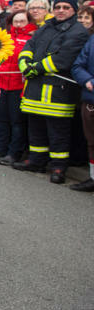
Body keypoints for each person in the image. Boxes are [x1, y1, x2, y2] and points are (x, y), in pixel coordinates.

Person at [14, 0, 88, 183]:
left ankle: (58, 167)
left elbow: (63, 58)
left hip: (58, 91)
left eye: (66, 7)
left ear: (74, 10)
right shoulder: (46, 27)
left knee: (58, 132)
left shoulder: (78, 31)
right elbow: (29, 46)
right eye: (58, 7)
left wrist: (35, 68)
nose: (61, 10)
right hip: (36, 89)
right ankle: (36, 161)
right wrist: (24, 63)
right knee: (36, 128)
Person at [0, 12, 36, 165]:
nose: (18, 24)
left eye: (22, 21)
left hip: (18, 85)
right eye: (16, 21)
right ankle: (0, 149)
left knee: (17, 121)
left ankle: (14, 152)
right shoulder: (5, 38)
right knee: (2, 119)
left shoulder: (31, 39)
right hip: (2, 83)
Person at [71, 22, 94, 191]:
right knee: (92, 142)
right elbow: (78, 65)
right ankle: (93, 177)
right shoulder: (92, 40)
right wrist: (88, 80)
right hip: (90, 99)